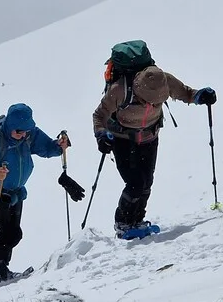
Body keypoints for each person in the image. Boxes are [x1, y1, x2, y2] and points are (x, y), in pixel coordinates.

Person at [92, 59, 216, 235]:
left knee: (147, 182)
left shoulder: (165, 81)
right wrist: (101, 134)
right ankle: (122, 223)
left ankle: (137, 220)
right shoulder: (120, 89)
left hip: (150, 136)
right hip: (123, 139)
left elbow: (186, 93)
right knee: (135, 183)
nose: (153, 104)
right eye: (148, 101)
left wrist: (200, 96)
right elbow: (99, 115)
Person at [0, 103, 73, 285]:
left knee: (10, 232)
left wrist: (59, 147)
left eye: (26, 131)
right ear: (10, 126)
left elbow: (46, 147)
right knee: (12, 233)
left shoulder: (29, 133)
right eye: (19, 131)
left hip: (16, 191)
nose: (23, 135)